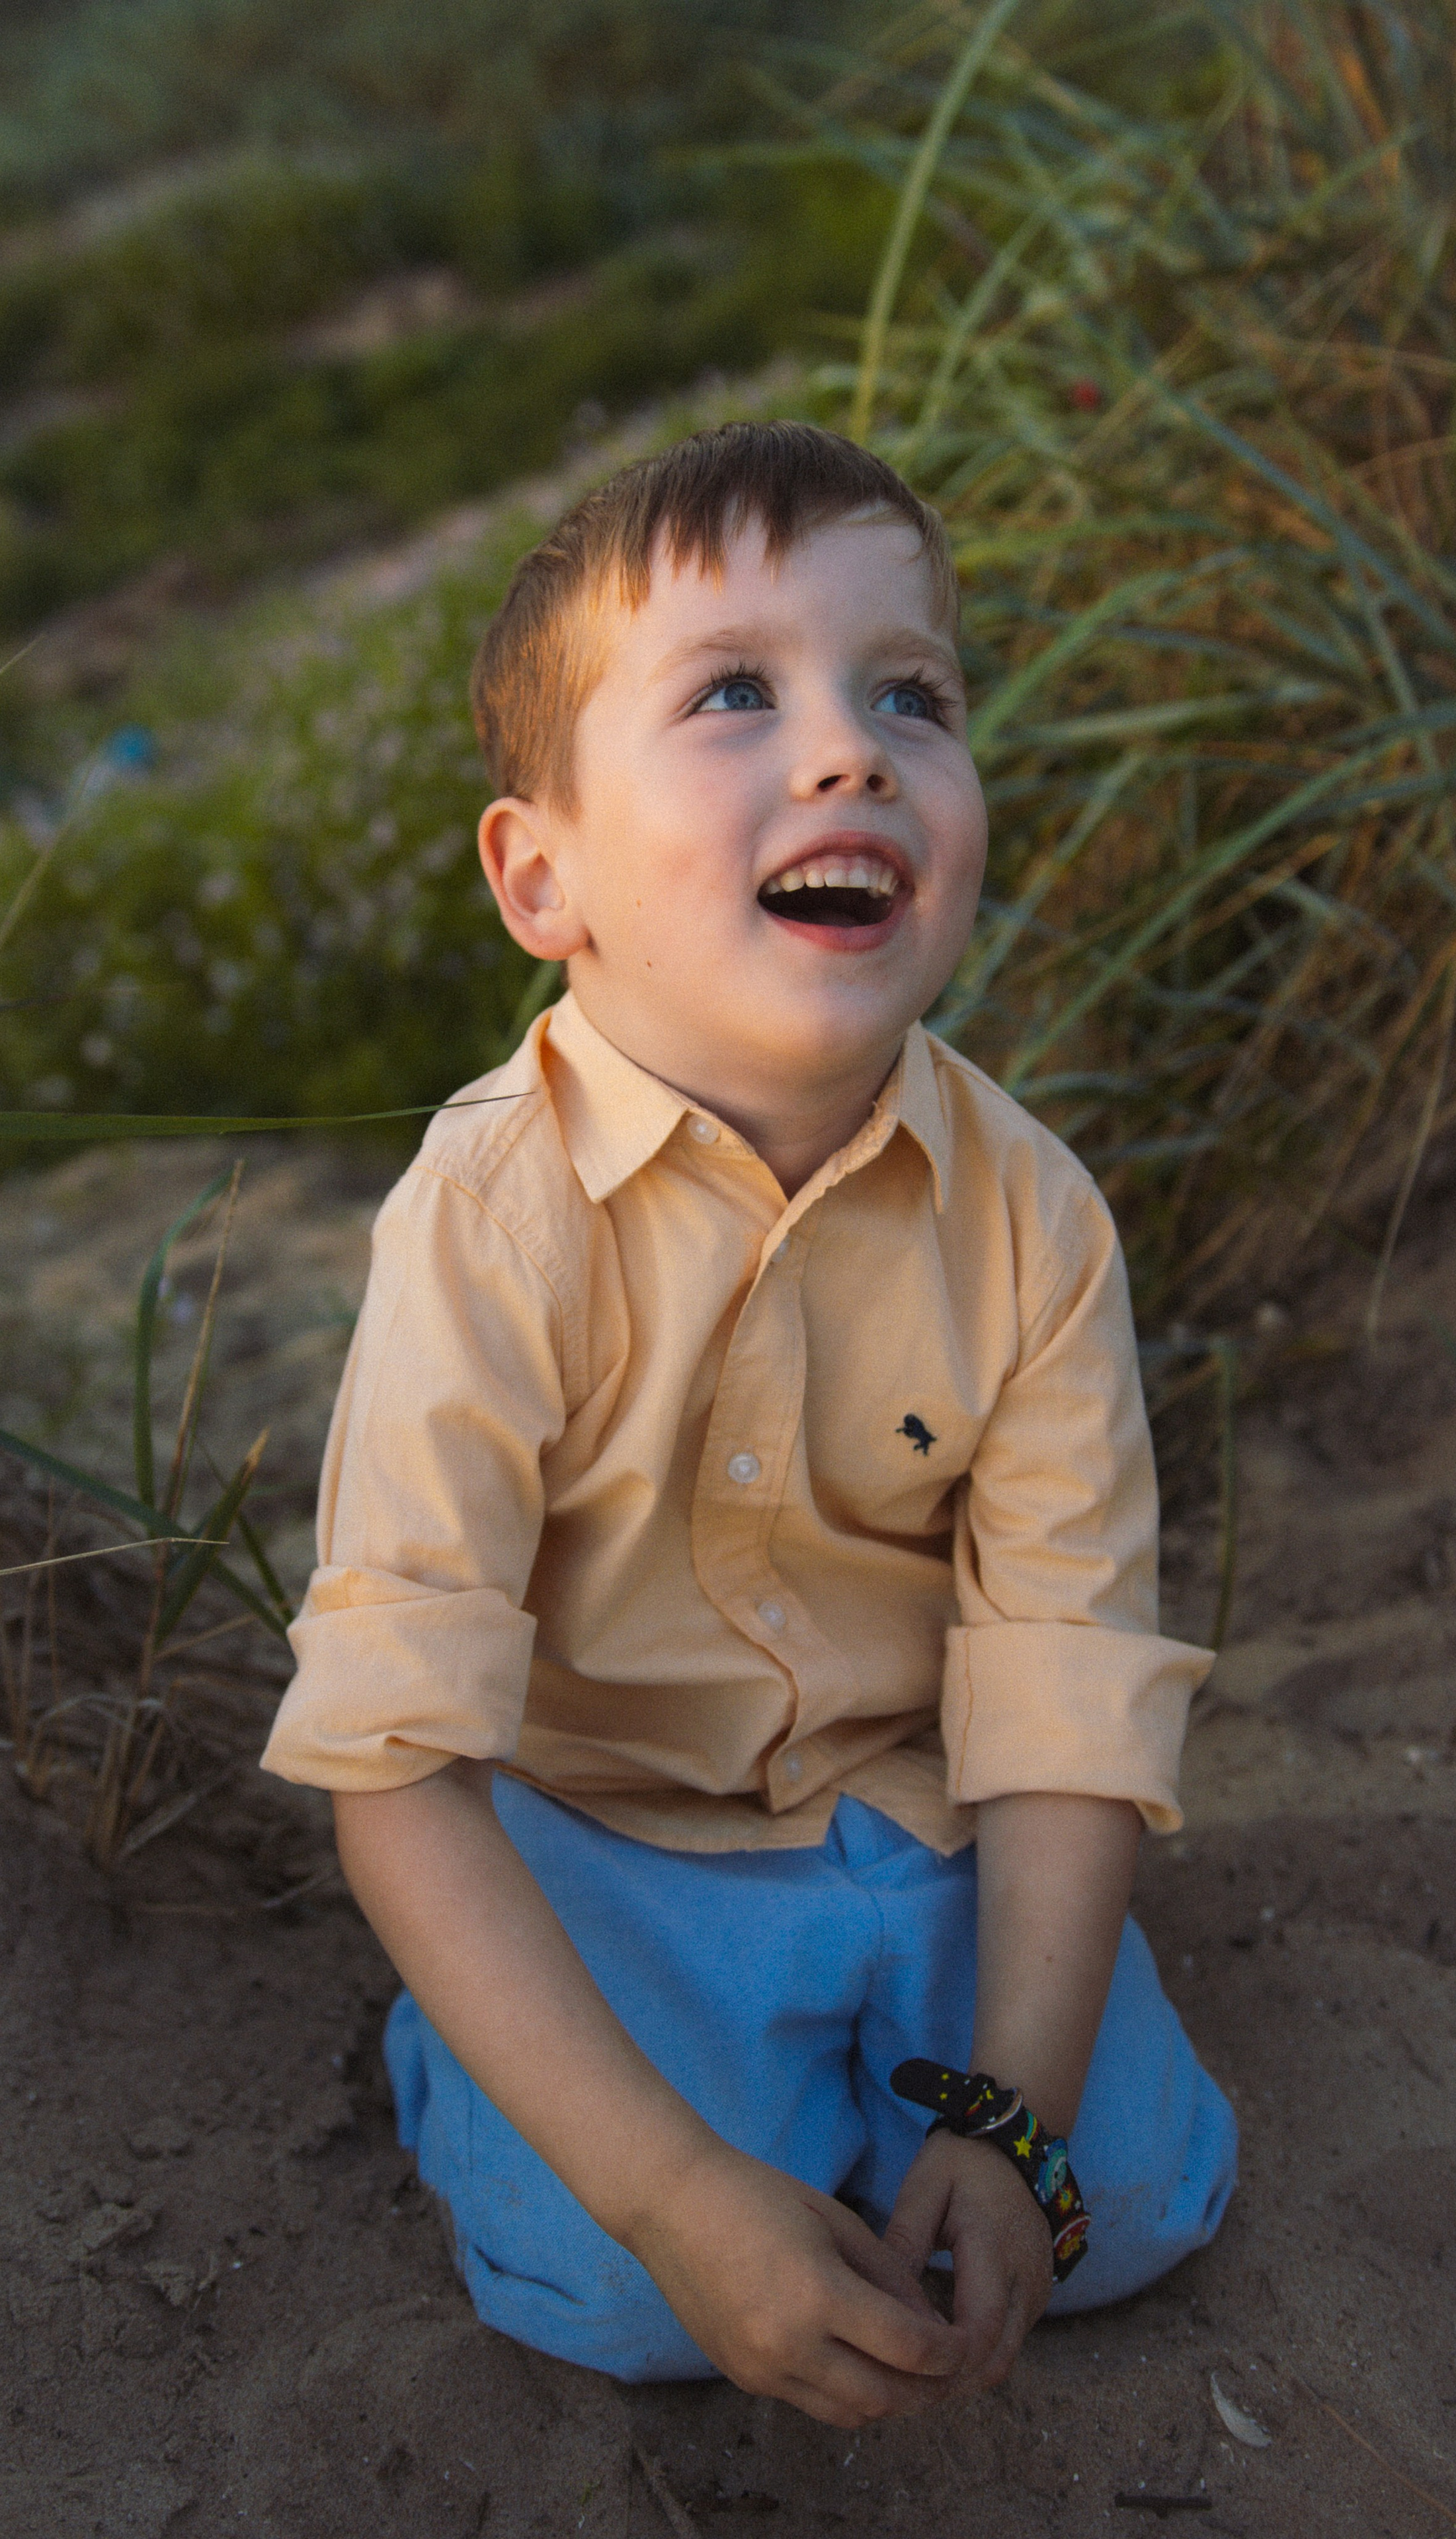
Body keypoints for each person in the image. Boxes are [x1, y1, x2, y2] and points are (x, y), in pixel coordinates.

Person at [261, 420, 1236, 2428]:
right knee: (638, 2292)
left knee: (1122, 2209)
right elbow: (399, 1765)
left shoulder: (1032, 1211)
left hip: (925, 1822)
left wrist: (1015, 2117)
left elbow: (1059, 1702)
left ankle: (935, 2085)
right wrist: (674, 2186)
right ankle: (492, 2060)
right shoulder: (486, 1218)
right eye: (734, 693)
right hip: (603, 1840)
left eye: (913, 695)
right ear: (547, 876)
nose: (850, 749)